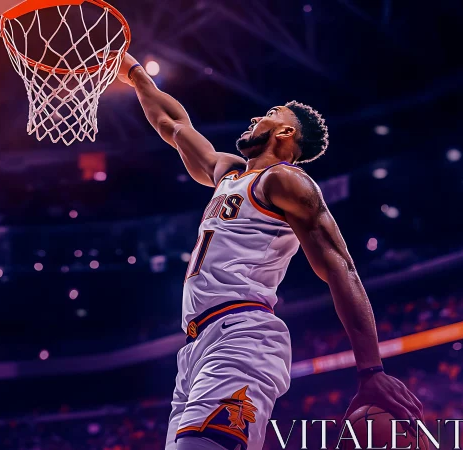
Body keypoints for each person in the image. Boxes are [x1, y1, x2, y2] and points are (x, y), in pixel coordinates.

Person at [116, 54, 424, 450]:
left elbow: (340, 268)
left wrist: (371, 369)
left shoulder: (285, 181)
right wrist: (135, 73)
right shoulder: (227, 174)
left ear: (283, 132)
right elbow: (173, 125)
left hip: (243, 337)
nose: (253, 120)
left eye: (267, 114)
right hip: (196, 347)